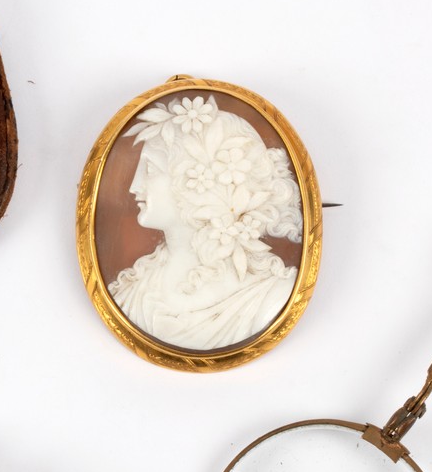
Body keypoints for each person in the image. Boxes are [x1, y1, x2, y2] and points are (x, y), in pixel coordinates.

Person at [109, 94, 303, 350]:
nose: (134, 187)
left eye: (150, 170)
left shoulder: (271, 297)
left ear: (199, 185)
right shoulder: (133, 290)